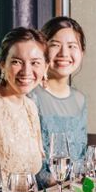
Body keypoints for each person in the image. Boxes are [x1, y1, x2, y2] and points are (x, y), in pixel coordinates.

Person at [0, 27, 47, 177]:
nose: (26, 71)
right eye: (17, 62)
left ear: (45, 67)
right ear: (2, 64)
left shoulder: (30, 106)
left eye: (35, 63)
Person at [29, 16, 88, 181]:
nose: (64, 53)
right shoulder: (30, 95)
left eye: (72, 46)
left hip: (74, 190)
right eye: (55, 45)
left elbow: (81, 157)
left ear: (82, 52)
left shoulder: (80, 99)